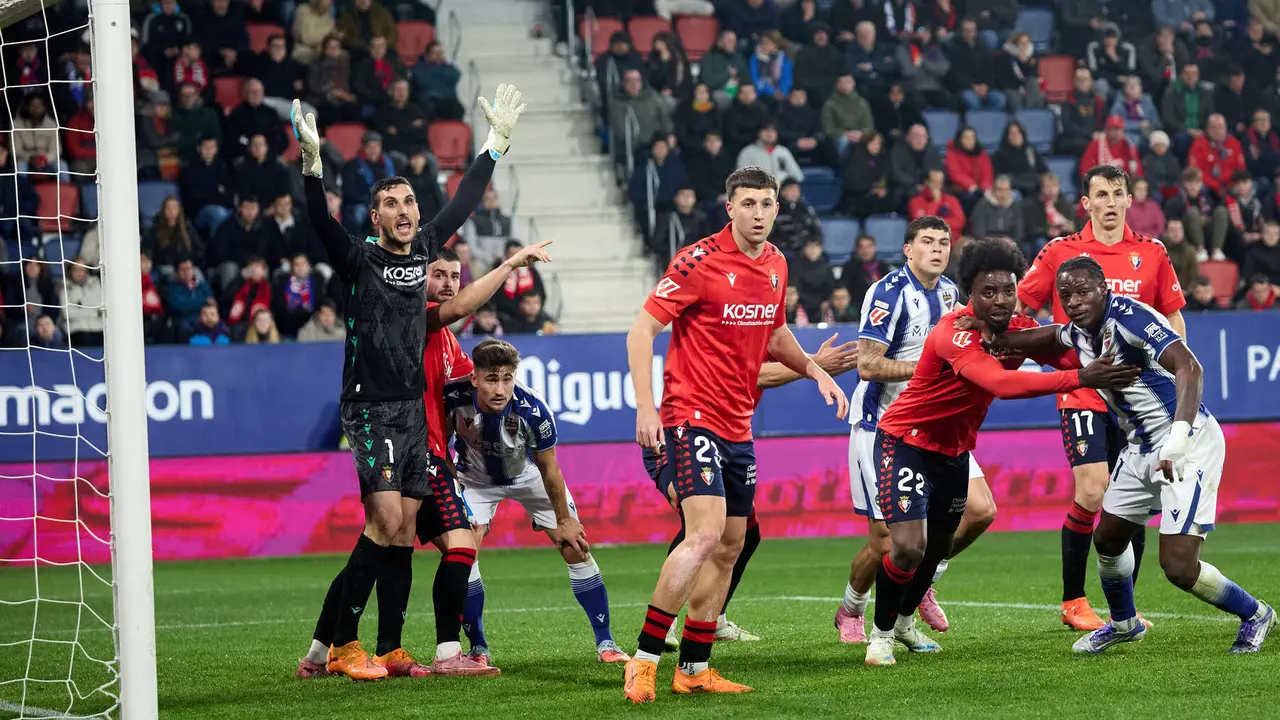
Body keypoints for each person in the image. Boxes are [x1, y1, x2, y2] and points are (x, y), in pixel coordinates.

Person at [287, 83, 532, 681]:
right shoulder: (358, 259)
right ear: (375, 218)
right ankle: (345, 647)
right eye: (391, 204)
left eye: (409, 202)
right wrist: (313, 166)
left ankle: (375, 648)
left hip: (411, 412)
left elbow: (465, 202)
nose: (403, 210)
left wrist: (495, 146)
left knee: (399, 530)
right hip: (370, 407)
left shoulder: (423, 251)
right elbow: (319, 221)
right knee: (383, 522)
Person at [622, 166, 848, 703]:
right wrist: (646, 410)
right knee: (702, 535)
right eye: (748, 203)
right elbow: (641, 330)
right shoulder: (697, 261)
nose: (759, 213)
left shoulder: (776, 264)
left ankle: (696, 667)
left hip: (737, 424)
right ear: (730, 208)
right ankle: (645, 659)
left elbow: (774, 332)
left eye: (767, 204)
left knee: (731, 542)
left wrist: (814, 369)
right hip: (689, 415)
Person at [864, 238, 1142, 666]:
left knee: (937, 549)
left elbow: (1067, 354)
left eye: (1008, 290)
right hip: (906, 442)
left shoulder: (1017, 331)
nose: (999, 300)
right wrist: (1082, 377)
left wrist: (1121, 364)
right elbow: (1001, 384)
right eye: (987, 292)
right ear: (968, 293)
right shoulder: (953, 332)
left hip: (954, 452)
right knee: (908, 547)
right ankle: (879, 636)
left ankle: (904, 623)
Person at [993, 256, 1276, 654]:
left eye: (1083, 291)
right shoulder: (1079, 331)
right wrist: (995, 339)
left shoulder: (1130, 317)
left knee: (1177, 567)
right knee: (1107, 538)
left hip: (1186, 444)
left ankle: (1255, 613)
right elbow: (1049, 336)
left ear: (1104, 290)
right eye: (1066, 294)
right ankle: (1124, 623)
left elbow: (1189, 367)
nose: (1074, 301)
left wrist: (1178, 437)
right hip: (1140, 447)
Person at [1018, 164, 1188, 631]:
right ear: (1085, 203)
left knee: (1129, 506)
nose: (1110, 202)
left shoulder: (1151, 252)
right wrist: (1058, 362)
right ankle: (1074, 600)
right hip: (1085, 392)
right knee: (1092, 491)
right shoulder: (1060, 252)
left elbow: (1173, 323)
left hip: (1138, 403)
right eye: (1101, 194)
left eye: (1117, 193)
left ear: (1130, 200)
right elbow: (1020, 310)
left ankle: (1123, 610)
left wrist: (1173, 384)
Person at [834, 216, 994, 645]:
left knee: (980, 511)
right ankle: (851, 608)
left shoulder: (950, 293)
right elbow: (867, 364)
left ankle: (922, 583)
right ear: (908, 249)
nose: (937, 249)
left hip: (938, 425)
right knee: (888, 543)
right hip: (883, 427)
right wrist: (929, 369)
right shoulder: (888, 293)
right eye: (927, 241)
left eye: (944, 242)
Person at [654, 334, 862, 649]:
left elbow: (777, 355)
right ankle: (662, 628)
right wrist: (814, 366)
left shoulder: (761, 320)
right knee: (699, 529)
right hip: (687, 429)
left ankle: (715, 619)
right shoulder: (731, 318)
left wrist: (811, 361)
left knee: (744, 534)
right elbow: (750, 373)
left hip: (729, 433)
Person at [446, 339, 628, 665]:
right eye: (491, 379)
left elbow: (549, 467)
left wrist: (565, 520)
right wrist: (454, 495)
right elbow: (438, 447)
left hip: (528, 479)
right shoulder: (451, 398)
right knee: (463, 553)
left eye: (507, 378)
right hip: (474, 482)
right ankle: (478, 648)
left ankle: (606, 643)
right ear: (475, 378)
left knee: (575, 546)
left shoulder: (534, 409)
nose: (500, 389)